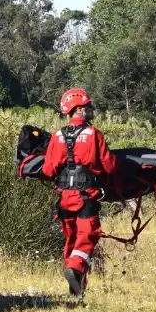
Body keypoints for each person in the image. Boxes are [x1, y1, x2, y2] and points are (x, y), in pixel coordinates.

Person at [42, 88, 117, 297]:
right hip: (86, 197)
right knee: (87, 236)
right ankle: (74, 269)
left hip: (65, 198)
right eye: (88, 106)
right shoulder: (94, 135)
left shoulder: (57, 136)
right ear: (79, 109)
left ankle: (76, 289)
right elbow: (110, 166)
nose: (91, 109)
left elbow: (48, 170)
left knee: (72, 240)